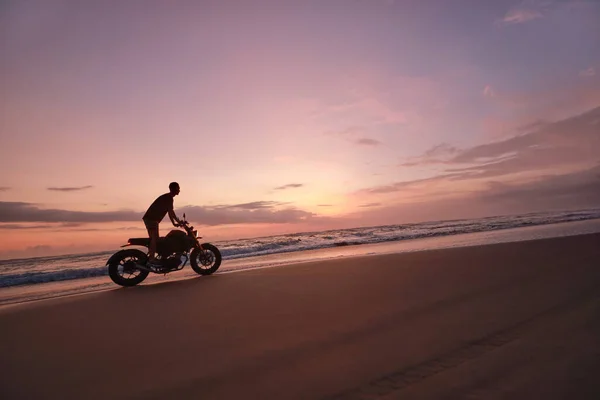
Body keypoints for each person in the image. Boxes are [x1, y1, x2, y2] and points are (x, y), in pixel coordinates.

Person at [143, 182, 182, 267]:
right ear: (174, 189)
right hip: (151, 219)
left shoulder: (167, 197)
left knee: (154, 239)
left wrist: (175, 223)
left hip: (151, 219)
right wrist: (177, 222)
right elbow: (171, 212)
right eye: (178, 188)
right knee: (154, 238)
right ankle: (151, 259)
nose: (179, 190)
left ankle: (155, 257)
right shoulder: (169, 197)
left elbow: (170, 212)